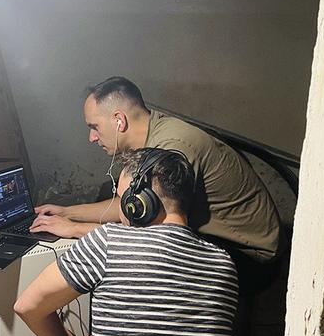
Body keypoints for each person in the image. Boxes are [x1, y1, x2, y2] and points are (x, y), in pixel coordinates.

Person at [15, 148, 244, 336]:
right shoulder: (223, 263)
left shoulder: (109, 241)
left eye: (124, 200)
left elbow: (28, 306)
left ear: (141, 203)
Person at [30, 76, 280, 263]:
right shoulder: (153, 134)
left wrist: (73, 229)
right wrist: (66, 213)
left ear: (119, 120)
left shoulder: (171, 147)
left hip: (249, 254)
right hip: (224, 241)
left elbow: (148, 236)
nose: (92, 137)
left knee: (137, 263)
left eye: (94, 126)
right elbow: (126, 206)